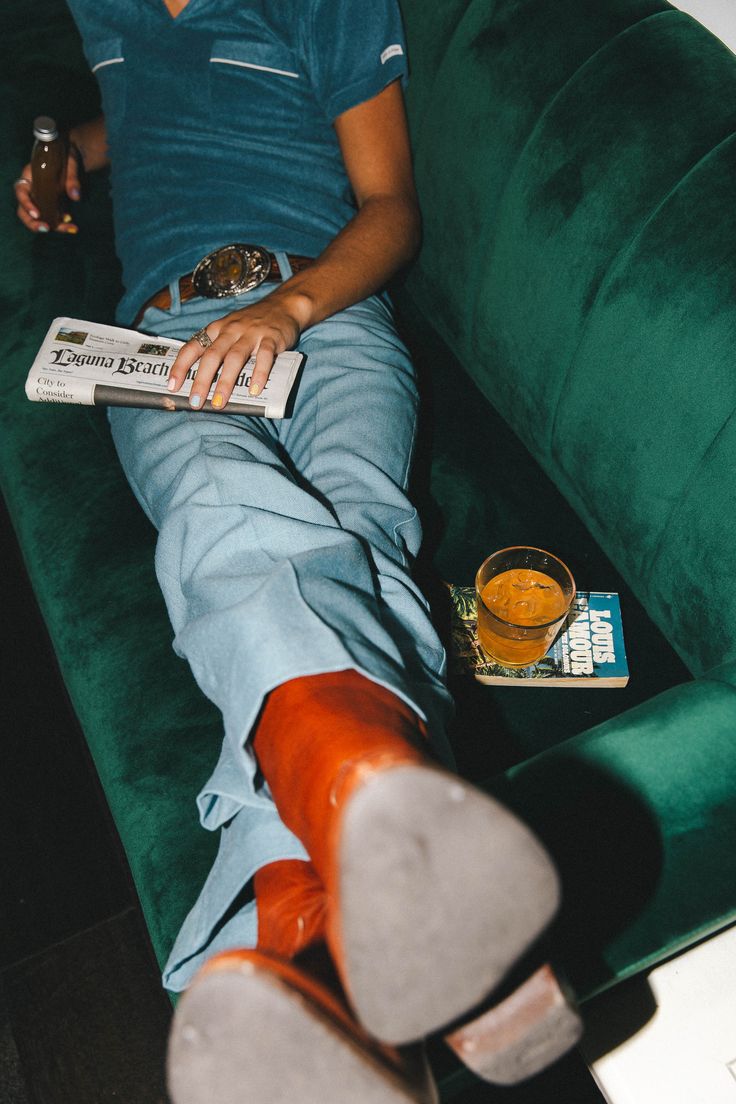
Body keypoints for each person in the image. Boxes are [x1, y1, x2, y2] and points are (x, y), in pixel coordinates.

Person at [15, 1, 579, 1100]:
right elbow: (141, 109)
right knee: (223, 501)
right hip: (160, 335)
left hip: (324, 315)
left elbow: (390, 208)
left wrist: (288, 308)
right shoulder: (105, 9)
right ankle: (365, 829)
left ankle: (303, 935)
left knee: (356, 532)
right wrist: (58, 149)